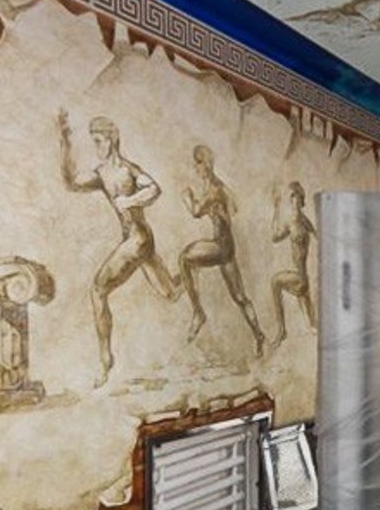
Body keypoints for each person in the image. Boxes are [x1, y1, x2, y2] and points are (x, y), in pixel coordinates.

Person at [58, 111, 180, 385]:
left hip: (137, 239)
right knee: (170, 293)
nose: (96, 147)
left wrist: (131, 200)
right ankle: (189, 270)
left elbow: (154, 189)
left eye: (99, 141)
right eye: (93, 141)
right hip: (138, 240)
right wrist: (64, 143)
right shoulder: (102, 173)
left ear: (112, 139)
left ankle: (106, 360)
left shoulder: (127, 169)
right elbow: (71, 182)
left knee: (98, 290)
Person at [178, 144, 266, 353]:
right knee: (240, 297)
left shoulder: (214, 189)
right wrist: (221, 213)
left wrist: (187, 196)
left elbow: (196, 211)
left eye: (198, 163)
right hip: (227, 248)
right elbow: (232, 208)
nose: (195, 168)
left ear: (207, 164)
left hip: (220, 246)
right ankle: (259, 335)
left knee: (184, 258)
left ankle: (198, 313)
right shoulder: (217, 186)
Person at [266, 181, 317, 347]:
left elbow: (318, 238)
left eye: (297, 196)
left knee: (275, 281)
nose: (295, 200)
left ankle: (282, 330)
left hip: (301, 278)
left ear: (301, 199)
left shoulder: (303, 221)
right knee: (313, 326)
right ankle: (284, 330)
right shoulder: (291, 222)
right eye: (292, 197)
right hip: (300, 277)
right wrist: (275, 209)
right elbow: (274, 237)